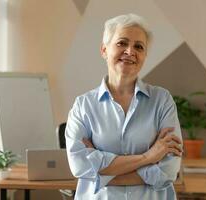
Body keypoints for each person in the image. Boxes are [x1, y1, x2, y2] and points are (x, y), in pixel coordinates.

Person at [65, 13, 183, 200]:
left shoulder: (162, 101)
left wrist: (101, 172)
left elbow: (168, 170)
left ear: (144, 56)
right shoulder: (83, 106)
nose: (130, 51)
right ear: (104, 50)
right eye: (122, 43)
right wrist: (149, 157)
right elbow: (80, 166)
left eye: (139, 46)